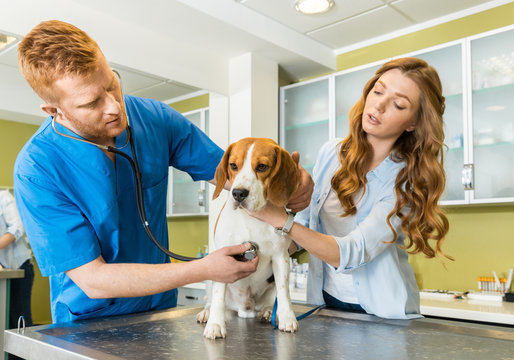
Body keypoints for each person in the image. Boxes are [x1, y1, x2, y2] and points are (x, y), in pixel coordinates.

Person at [13, 20, 313, 324]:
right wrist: (204, 268)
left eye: (111, 83)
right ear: (54, 111)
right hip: (86, 323)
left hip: (158, 313)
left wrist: (294, 184)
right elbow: (93, 279)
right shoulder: (37, 170)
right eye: (92, 102)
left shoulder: (155, 119)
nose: (115, 107)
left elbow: (235, 178)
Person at [250, 57, 450, 319]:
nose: (378, 105)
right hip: (324, 301)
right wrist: (259, 253)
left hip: (381, 312)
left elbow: (352, 252)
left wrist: (278, 219)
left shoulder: (406, 181)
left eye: (399, 104)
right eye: (378, 91)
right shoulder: (331, 153)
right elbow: (305, 226)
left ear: (412, 123)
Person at [0, 190, 34, 331]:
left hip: (19, 266)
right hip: (3, 272)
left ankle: (27, 353)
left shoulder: (3, 197)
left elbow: (18, 228)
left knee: (19, 319)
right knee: (4, 322)